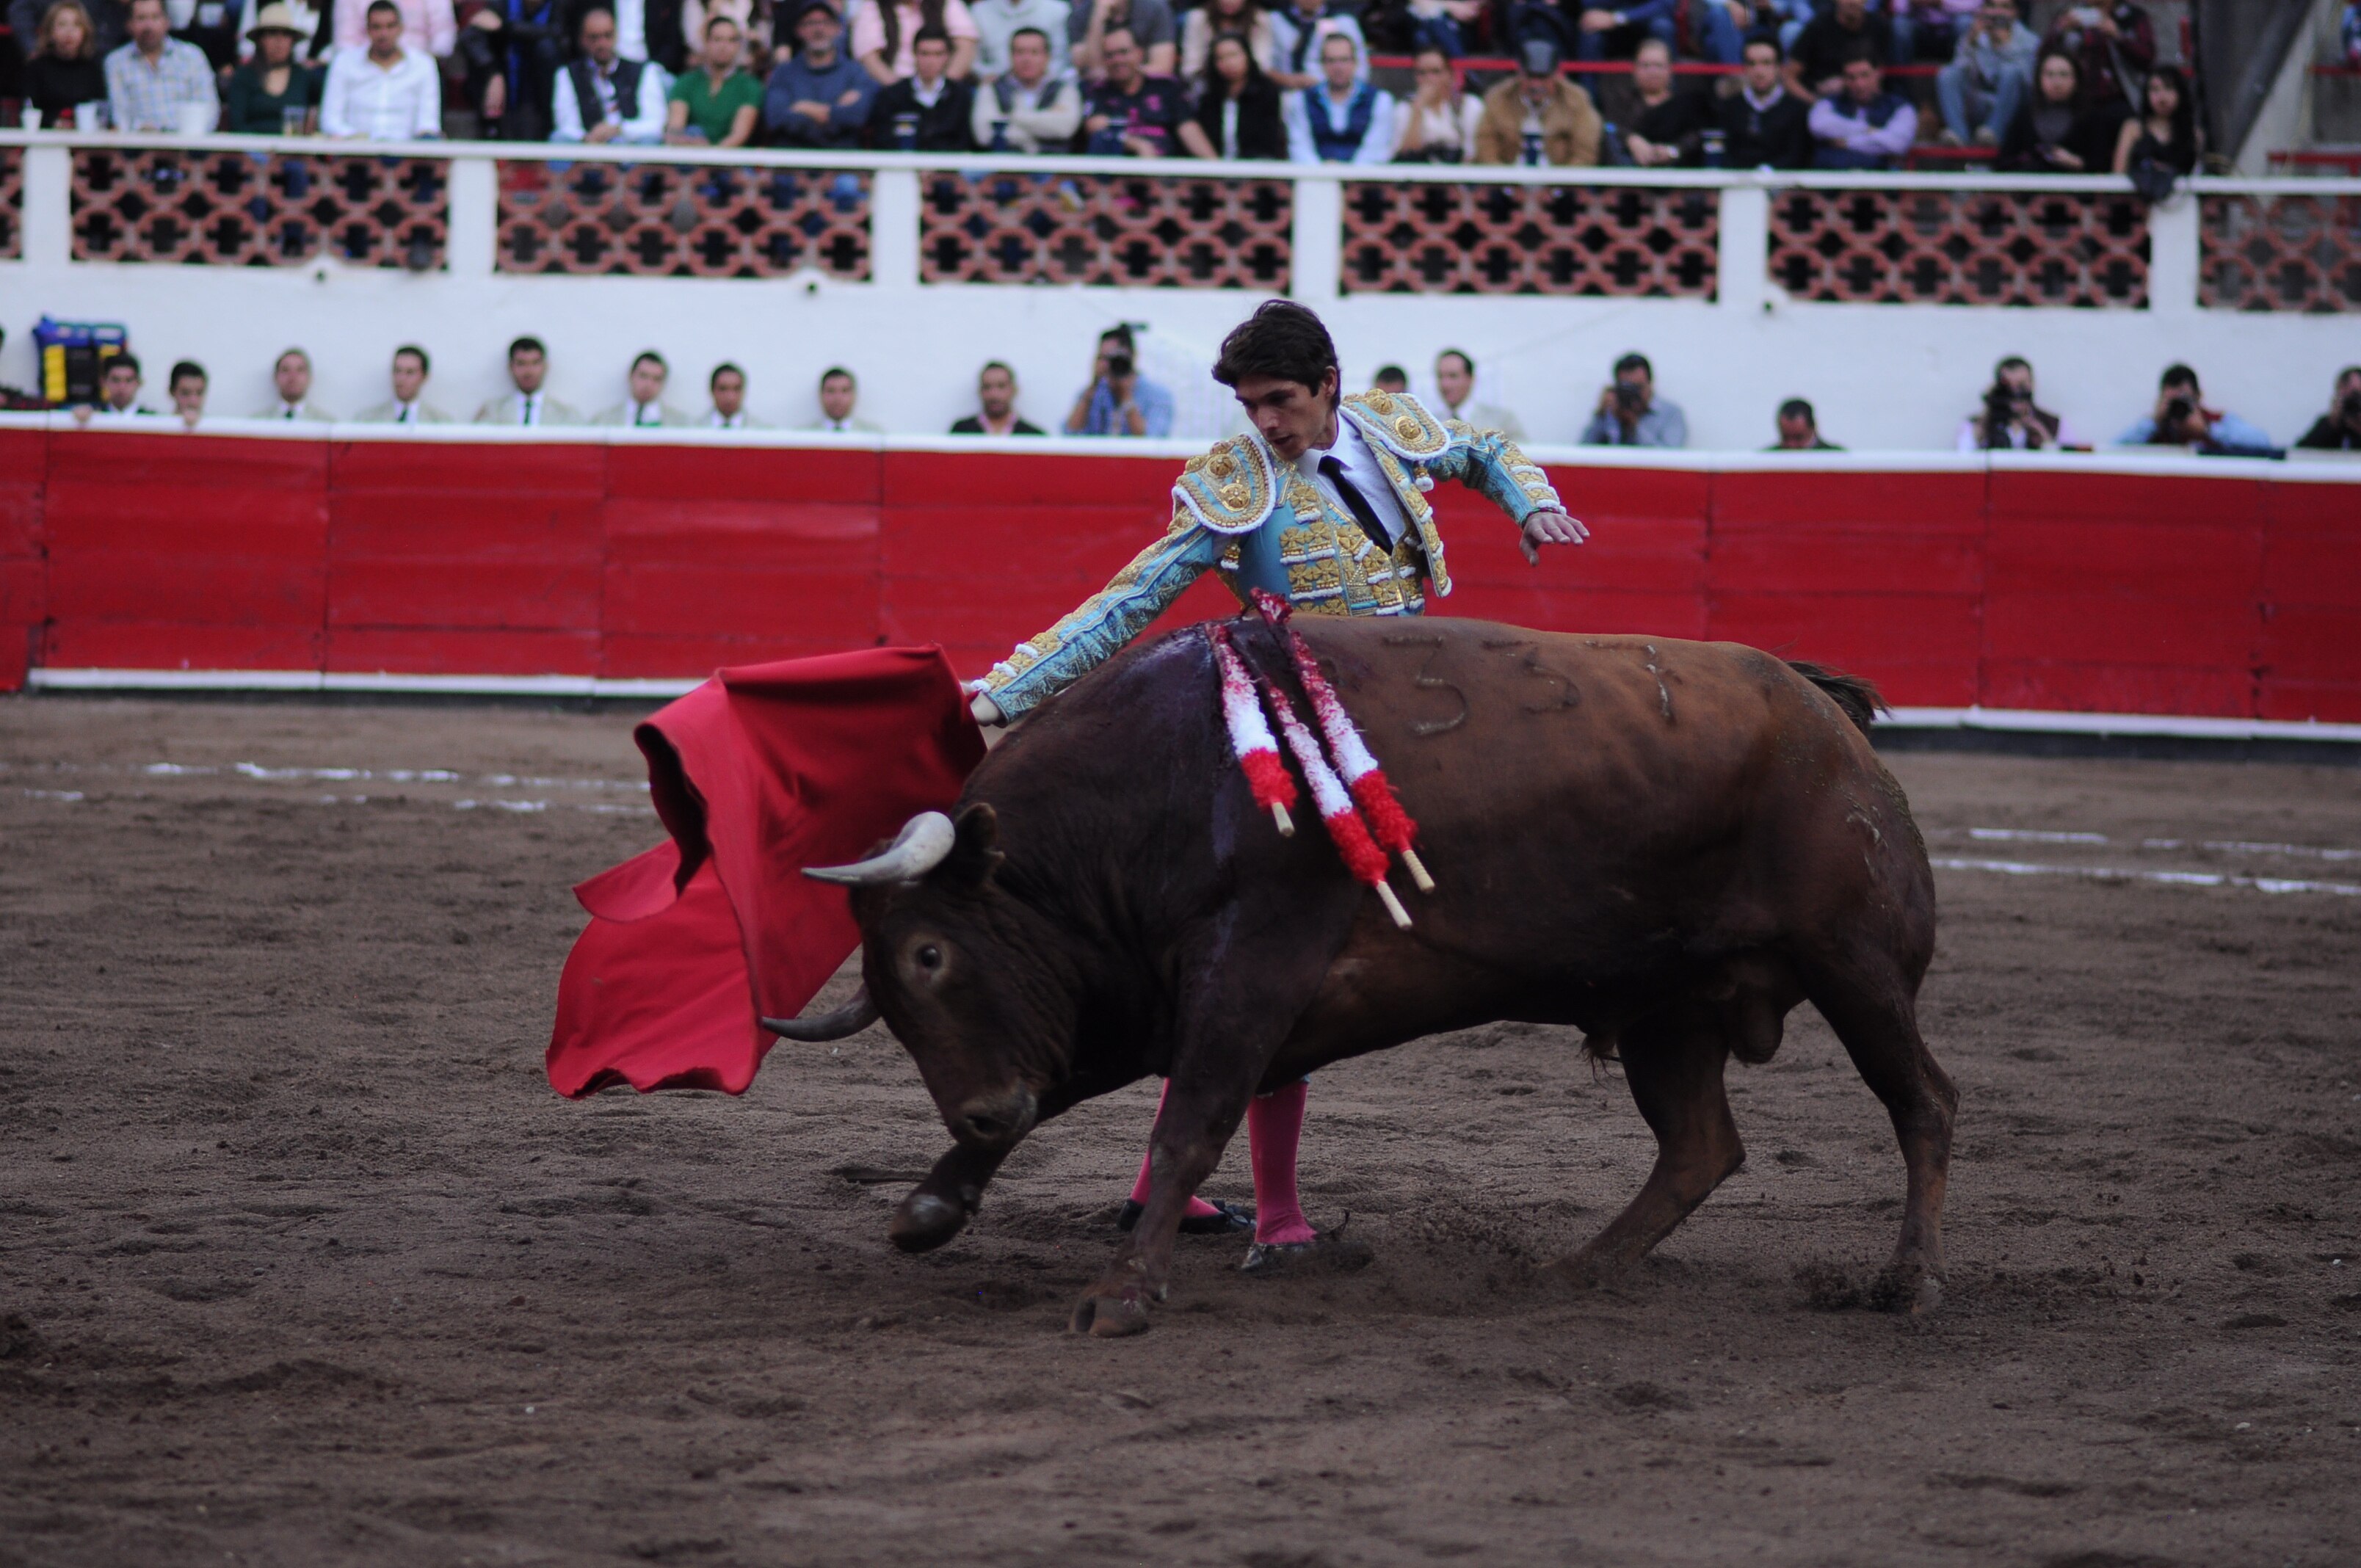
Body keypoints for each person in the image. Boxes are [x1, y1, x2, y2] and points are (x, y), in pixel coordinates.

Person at [966, 302, 1586, 1269]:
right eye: (1251, 406)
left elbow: (1480, 450)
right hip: (1302, 739)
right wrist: (1006, 690)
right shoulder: (1235, 481)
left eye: (1280, 401)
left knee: (1247, 976)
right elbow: (1132, 598)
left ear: (1328, 383)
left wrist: (1530, 500)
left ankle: (1154, 1191)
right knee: (1271, 973)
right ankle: (1283, 1218)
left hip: (1409, 710)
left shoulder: (1389, 424)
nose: (1263, 422)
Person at [320, 0, 441, 137]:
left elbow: (428, 122)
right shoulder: (344, 62)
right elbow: (331, 120)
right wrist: (358, 139)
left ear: (401, 28)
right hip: (355, 151)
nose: (384, 34)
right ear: (366, 30)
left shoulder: (423, 65)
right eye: (377, 27)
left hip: (407, 152)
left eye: (390, 26)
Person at [763, 0, 874, 148]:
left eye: (826, 22)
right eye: (810, 23)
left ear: (838, 29)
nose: (819, 29)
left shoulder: (855, 72)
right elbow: (776, 117)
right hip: (792, 162)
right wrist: (835, 111)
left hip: (842, 161)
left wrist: (803, 107)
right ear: (798, 30)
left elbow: (858, 116)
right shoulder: (783, 73)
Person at [1473, 37, 1599, 167]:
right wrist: (1505, 182)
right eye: (1530, 76)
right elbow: (1485, 144)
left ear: (1556, 74)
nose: (1536, 85)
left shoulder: (1576, 101)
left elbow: (1585, 152)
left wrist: (1558, 184)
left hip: (1563, 181)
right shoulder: (1498, 98)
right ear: (1519, 72)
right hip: (1505, 180)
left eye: (1543, 77)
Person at [551, 4, 667, 143]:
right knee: (559, 139)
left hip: (630, 147)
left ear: (616, 35)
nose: (602, 44)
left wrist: (618, 129)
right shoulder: (567, 75)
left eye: (607, 35)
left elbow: (656, 124)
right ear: (582, 39)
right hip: (585, 146)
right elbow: (565, 125)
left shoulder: (645, 71)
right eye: (594, 38)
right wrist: (588, 137)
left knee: (646, 141)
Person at [1993, 46, 2111, 173]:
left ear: (2076, 79)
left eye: (2064, 75)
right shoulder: (2025, 114)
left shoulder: (2092, 116)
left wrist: (2075, 162)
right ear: (2039, 79)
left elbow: (2103, 165)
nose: (2057, 82)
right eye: (2050, 74)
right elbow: (2003, 161)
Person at [105, 0, 219, 130]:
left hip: (190, 143)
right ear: (129, 24)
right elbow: (120, 116)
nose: (149, 26)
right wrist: (142, 129)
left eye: (155, 17)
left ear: (167, 22)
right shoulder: (116, 62)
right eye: (141, 18)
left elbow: (209, 109)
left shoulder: (192, 56)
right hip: (138, 143)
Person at [2113, 364, 2272, 456]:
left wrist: (2207, 431)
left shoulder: (2217, 421)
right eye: (2171, 401)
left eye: (2183, 401)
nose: (2177, 408)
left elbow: (2262, 442)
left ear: (2198, 397)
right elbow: (2114, 449)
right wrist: (2154, 422)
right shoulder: (2153, 428)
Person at [1934, 0, 2032, 146]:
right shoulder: (1975, 35)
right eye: (1991, 6)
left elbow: (2029, 82)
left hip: (2012, 107)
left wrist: (2005, 47)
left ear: (2016, 12)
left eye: (2005, 7)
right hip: (1978, 102)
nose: (1997, 12)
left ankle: (1993, 134)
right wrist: (1971, 44)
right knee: (1947, 73)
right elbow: (1959, 71)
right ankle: (1959, 135)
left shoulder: (2029, 40)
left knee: (2011, 71)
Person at [1284, 31, 1390, 164]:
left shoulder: (1380, 100)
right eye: (1331, 61)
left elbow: (1375, 150)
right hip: (1313, 180)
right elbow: (1300, 147)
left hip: (1363, 180)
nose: (1338, 67)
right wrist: (1323, 175)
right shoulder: (1301, 100)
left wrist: (1346, 175)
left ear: (1355, 62)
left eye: (1344, 60)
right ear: (1322, 64)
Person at [1077, 24, 1185, 155]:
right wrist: (1136, 144)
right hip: (1119, 171)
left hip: (1167, 168)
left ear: (1140, 53)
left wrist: (1212, 166)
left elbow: (1188, 128)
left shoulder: (1165, 87)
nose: (1117, 60)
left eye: (1123, 52)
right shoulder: (1098, 91)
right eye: (1110, 55)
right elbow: (1094, 126)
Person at [971, 23, 1080, 149]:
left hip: (1053, 165)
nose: (1027, 59)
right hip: (1004, 165)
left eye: (1034, 52)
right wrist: (1037, 136)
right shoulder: (991, 87)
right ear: (1011, 56)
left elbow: (1065, 128)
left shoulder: (1065, 89)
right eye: (1020, 52)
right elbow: (985, 134)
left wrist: (1012, 117)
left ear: (1047, 57)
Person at [1601, 36, 1705, 167]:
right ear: (1634, 69)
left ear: (1670, 69)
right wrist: (1630, 139)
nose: (1652, 72)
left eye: (1658, 66)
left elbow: (1695, 137)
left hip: (1676, 175)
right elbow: (1610, 126)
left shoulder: (1685, 106)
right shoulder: (1621, 102)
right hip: (1629, 173)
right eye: (1645, 66)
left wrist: (1673, 151)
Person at [1179, 29, 1283, 159]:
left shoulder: (1267, 93)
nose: (1228, 63)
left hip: (1257, 167)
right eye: (1221, 58)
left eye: (1233, 55)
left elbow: (1269, 142)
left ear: (1247, 55)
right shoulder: (1208, 98)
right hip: (1216, 169)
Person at [866, 23, 974, 146]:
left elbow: (965, 141)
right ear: (914, 54)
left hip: (948, 164)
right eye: (924, 53)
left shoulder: (960, 96)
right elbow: (882, 139)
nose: (930, 61)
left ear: (947, 57)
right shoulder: (892, 96)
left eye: (938, 54)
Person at [222, 4, 321, 133]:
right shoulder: (244, 76)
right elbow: (237, 125)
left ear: (293, 41)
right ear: (260, 40)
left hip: (294, 150)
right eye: (272, 33)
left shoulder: (304, 76)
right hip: (249, 150)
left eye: (285, 34)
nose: (279, 41)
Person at [1807, 51, 1915, 168]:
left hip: (1877, 180)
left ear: (1878, 73)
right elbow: (1819, 126)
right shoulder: (1827, 104)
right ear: (1843, 79)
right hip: (1830, 179)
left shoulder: (1901, 107)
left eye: (1865, 75)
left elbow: (1897, 144)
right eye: (1851, 78)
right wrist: (1869, 130)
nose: (1859, 84)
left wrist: (1847, 142)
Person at [664, 13, 760, 142]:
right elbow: (675, 129)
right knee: (693, 131)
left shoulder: (750, 86)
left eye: (731, 40)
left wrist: (709, 155)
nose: (723, 46)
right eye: (717, 39)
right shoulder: (686, 82)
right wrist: (691, 144)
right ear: (706, 42)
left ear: (738, 45)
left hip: (730, 160)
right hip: (690, 154)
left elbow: (738, 136)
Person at [1063, 324, 1172, 437]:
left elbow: (1151, 440)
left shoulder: (1157, 395)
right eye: (1104, 358)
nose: (1111, 365)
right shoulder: (1092, 395)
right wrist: (1093, 386)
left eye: (1116, 359)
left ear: (1132, 357)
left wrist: (1126, 396)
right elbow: (1070, 434)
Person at [2044, 0, 2150, 117]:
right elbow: (2044, 56)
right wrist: (2060, 29)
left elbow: (2147, 57)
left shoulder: (2131, 16)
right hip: (2075, 98)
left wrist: (2118, 36)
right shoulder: (2073, 13)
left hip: (2119, 98)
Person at [1718, 35, 1810, 168]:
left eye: (1766, 63)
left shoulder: (1797, 110)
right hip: (1737, 183)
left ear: (1779, 67)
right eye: (1752, 64)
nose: (1759, 71)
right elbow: (1725, 153)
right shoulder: (1729, 107)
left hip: (1783, 184)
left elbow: (1797, 155)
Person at [1955, 355, 2084, 451]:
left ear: (2032, 385)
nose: (2015, 392)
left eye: (2022, 386)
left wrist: (2045, 438)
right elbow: (1964, 458)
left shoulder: (2055, 424)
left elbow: (2069, 464)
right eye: (2008, 387)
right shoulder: (1975, 425)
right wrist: (1988, 413)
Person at [23, 1, 108, 128]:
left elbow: (101, 110)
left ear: (85, 31)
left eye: (77, 25)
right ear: (50, 32)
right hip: (45, 138)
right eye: (62, 25)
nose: (69, 32)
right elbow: (29, 110)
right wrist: (54, 123)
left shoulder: (93, 68)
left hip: (86, 140)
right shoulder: (36, 68)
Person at [1389, 43, 1478, 163]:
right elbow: (1406, 156)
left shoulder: (1469, 105)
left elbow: (1474, 154)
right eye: (1422, 73)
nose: (1429, 79)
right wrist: (1418, 109)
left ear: (1450, 75)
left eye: (1436, 72)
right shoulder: (1404, 109)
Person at [852, 0, 978, 82]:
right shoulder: (875, 5)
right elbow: (870, 59)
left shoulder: (945, 2)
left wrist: (944, 87)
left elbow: (966, 47)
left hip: (944, 85)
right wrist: (900, 91)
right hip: (892, 86)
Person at [1581, 351, 1686, 447]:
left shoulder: (1671, 414)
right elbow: (1584, 452)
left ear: (1650, 384)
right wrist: (1602, 415)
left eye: (1638, 388)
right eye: (1627, 388)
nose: (1633, 394)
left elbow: (1670, 457)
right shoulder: (1612, 412)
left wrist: (1635, 426)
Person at [1788, 0, 1890, 99]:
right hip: (1825, 102)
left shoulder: (1879, 26)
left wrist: (1853, 83)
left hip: (1871, 103)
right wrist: (1814, 102)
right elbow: (1789, 75)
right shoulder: (1818, 27)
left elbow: (1884, 71)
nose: (1853, 1)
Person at [2111, 62, 2196, 180]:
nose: (2162, 97)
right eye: (2154, 90)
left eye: (2168, 88)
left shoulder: (2194, 134)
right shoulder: (2133, 128)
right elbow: (2118, 174)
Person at [474, 335, 580, 425]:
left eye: (535, 363)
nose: (528, 371)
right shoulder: (493, 412)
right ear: (511, 367)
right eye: (521, 363)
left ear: (545, 366)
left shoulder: (565, 415)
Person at [1432, 347, 1525, 441]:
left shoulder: (1502, 422)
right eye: (1440, 376)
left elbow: (1524, 453)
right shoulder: (1430, 425)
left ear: (1470, 379)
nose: (1445, 384)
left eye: (1453, 376)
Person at [1067, 0, 1173, 79]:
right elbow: (1088, 69)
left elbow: (1162, 68)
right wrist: (1098, 16)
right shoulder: (1079, 15)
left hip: (1145, 86)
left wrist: (1123, 73)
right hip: (1101, 89)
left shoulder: (1155, 8)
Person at [1265, 0, 1357, 90]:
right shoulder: (1273, 20)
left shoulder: (1343, 21)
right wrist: (1287, 80)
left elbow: (1360, 66)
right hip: (1284, 93)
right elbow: (1263, 66)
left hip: (1331, 95)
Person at [355, 344, 453, 424]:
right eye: (397, 371)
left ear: (425, 377)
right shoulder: (366, 420)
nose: (401, 379)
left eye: (410, 372)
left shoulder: (441, 422)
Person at [971, 0, 1068, 79]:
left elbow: (1061, 59)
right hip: (995, 88)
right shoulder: (979, 12)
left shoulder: (1058, 10)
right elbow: (974, 62)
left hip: (1049, 89)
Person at [594, 351, 692, 427]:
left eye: (656, 379)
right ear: (630, 376)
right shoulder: (603, 421)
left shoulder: (681, 424)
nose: (648, 384)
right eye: (643, 376)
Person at [322, 0, 451, 57]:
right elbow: (344, 42)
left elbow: (443, 35)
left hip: (420, 68)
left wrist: (420, 66)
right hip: (362, 69)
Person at [1178, 0, 1269, 77]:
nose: (1229, 1)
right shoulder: (1198, 18)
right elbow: (1191, 65)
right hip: (1206, 81)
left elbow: (1262, 63)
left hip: (1249, 81)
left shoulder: (1259, 19)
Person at [950, 361, 1045, 435]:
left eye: (1001, 386)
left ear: (1015, 390)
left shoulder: (1034, 435)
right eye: (987, 387)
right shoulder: (961, 431)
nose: (994, 394)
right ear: (980, 391)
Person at [253, 347, 335, 420]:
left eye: (300, 370)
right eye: (285, 370)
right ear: (275, 377)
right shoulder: (256, 423)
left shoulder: (326, 424)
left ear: (310, 378)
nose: (292, 377)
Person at [2293, 366, 2361, 453]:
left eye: (2357, 395)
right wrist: (2332, 423)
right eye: (2347, 396)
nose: (2353, 401)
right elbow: (2299, 454)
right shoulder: (2330, 424)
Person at [73, 354, 152, 422]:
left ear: (139, 383)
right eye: (116, 380)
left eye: (128, 380)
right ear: (103, 381)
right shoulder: (93, 417)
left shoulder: (152, 419)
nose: (122, 387)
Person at [807, 366, 880, 432]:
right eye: (831, 391)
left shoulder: (874, 435)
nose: (838, 398)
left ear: (854, 395)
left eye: (845, 391)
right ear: (821, 394)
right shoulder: (803, 437)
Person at [703, 362, 767, 427]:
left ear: (743, 391)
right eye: (723, 389)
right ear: (712, 390)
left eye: (736, 389)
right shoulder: (695, 430)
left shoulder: (763, 432)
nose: (730, 397)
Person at [1766, 397, 1841, 450]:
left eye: (1798, 438)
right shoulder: (1765, 460)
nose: (1792, 445)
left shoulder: (1839, 458)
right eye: (1786, 438)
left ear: (1813, 428)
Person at [167, 360, 208, 429]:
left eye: (199, 393)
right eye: (186, 393)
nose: (193, 401)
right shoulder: (156, 428)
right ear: (171, 392)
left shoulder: (218, 430)